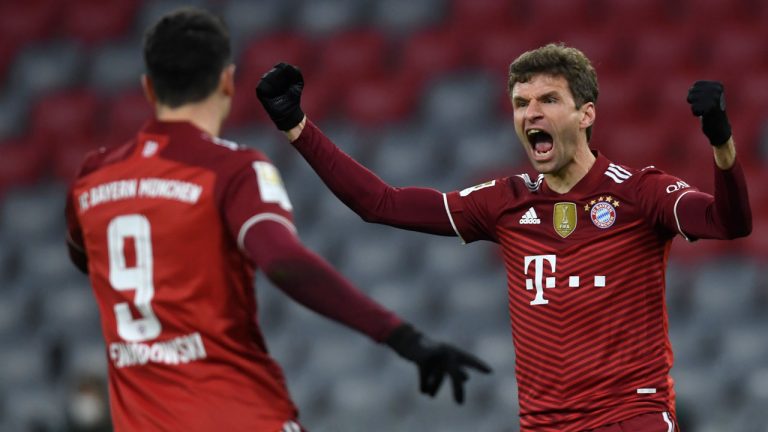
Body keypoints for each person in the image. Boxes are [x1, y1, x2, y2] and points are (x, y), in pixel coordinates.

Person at [255, 43, 752, 431]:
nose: (530, 113)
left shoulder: (642, 193)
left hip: (630, 419)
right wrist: (296, 126)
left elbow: (729, 223)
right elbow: (379, 203)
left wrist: (721, 143)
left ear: (586, 113)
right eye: (520, 103)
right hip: (543, 426)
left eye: (548, 100)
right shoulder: (505, 201)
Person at [64, 7, 491, 432]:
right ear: (227, 81)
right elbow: (284, 261)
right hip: (241, 416)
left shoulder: (93, 177)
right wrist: (399, 335)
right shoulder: (233, 170)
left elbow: (91, 259)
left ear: (147, 88)